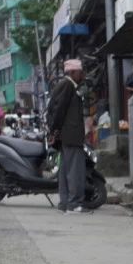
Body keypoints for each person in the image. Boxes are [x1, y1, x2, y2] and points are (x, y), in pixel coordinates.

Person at [46, 58, 89, 213]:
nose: (82, 75)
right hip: (70, 135)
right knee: (75, 171)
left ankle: (64, 203)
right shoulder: (67, 85)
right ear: (72, 72)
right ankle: (74, 204)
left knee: (65, 170)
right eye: (80, 72)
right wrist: (54, 132)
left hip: (67, 135)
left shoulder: (66, 85)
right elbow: (59, 110)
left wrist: (55, 132)